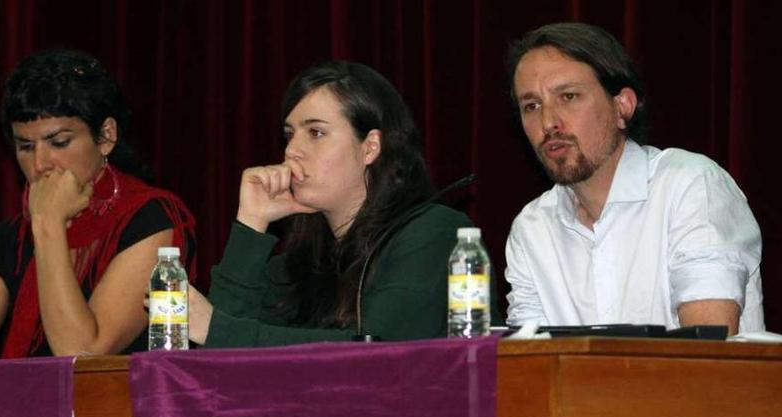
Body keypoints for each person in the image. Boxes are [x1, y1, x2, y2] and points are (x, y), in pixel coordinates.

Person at [0, 49, 196, 362]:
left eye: (59, 143)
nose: (40, 164)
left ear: (106, 137)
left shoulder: (149, 219)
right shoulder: (5, 242)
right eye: (25, 147)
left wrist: (48, 224)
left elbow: (81, 353)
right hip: (23, 408)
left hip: (122, 407)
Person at [185, 60, 490, 347]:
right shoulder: (300, 263)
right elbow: (220, 360)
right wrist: (251, 224)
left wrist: (215, 328)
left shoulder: (435, 233)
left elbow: (381, 352)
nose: (292, 150)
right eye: (289, 135)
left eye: (316, 132)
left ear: (370, 147)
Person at [503, 22, 764, 335]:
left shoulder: (690, 186)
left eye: (569, 97)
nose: (548, 122)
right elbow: (530, 364)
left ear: (621, 106)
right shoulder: (532, 228)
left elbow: (706, 352)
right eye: (531, 106)